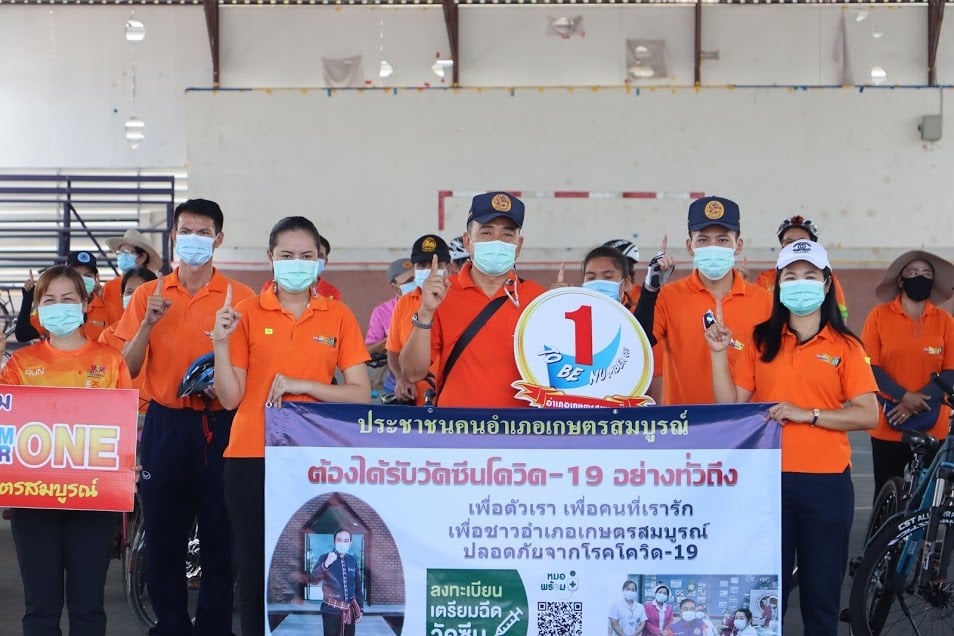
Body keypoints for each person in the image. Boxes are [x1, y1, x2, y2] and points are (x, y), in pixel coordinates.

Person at [705, 239, 879, 636]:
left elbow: (868, 413)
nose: (800, 283)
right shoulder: (762, 340)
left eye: (809, 276)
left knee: (821, 600)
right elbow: (731, 403)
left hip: (826, 487)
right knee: (766, 600)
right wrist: (718, 354)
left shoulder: (846, 346)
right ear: (779, 286)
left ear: (826, 282)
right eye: (790, 276)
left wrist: (810, 415)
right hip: (767, 486)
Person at [213, 216, 371, 636]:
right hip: (252, 456)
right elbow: (230, 398)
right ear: (270, 259)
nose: (296, 263)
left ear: (320, 260)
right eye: (287, 256)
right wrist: (219, 342)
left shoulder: (337, 315)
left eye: (306, 256)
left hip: (315, 460)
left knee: (313, 568)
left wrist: (305, 386)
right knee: (254, 569)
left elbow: (360, 393)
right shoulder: (245, 313)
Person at [115, 198, 255, 636]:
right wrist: (146, 326)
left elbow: (246, 368)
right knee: (163, 538)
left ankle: (214, 627)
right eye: (185, 231)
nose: (193, 239)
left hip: (221, 426)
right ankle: (170, 625)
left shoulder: (241, 298)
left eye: (203, 231)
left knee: (221, 539)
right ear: (175, 236)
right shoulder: (146, 295)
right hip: (166, 425)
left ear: (218, 238)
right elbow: (128, 368)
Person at [2, 266, 133, 636]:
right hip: (34, 501)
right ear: (37, 311)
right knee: (40, 607)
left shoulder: (111, 362)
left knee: (88, 606)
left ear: (86, 304)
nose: (59, 307)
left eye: (68, 299)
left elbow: (123, 429)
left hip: (94, 499)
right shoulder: (19, 366)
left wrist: (128, 463)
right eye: (49, 301)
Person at [399, 192, 546, 407]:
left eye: (507, 234)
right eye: (486, 232)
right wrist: (426, 312)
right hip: (459, 431)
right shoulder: (442, 294)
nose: (497, 241)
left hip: (521, 431)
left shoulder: (538, 299)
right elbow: (412, 373)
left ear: (519, 245)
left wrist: (559, 306)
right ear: (468, 242)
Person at [654, 196, 772, 405]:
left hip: (747, 428)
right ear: (690, 246)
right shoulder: (667, 297)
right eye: (703, 240)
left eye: (723, 239)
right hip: (684, 427)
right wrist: (650, 289)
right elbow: (640, 342)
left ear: (738, 245)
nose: (713, 246)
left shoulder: (765, 302)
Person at [862, 250, 954, 496]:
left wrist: (915, 402)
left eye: (926, 274)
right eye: (913, 273)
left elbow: (951, 371)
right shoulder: (878, 317)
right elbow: (870, 366)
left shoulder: (945, 321)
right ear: (900, 280)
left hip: (934, 425)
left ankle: (924, 537)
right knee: (886, 491)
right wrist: (903, 396)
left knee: (929, 496)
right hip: (888, 420)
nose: (919, 277)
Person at [387, 235, 452, 405]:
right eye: (422, 266)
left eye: (435, 265)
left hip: (454, 405)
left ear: (449, 269)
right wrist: (401, 379)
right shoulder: (404, 302)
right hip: (416, 405)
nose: (429, 270)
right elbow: (393, 351)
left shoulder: (460, 300)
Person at [753, 215, 849, 322]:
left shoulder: (827, 278)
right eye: (789, 242)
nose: (795, 246)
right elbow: (755, 315)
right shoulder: (766, 278)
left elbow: (841, 318)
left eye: (802, 242)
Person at [16, 251, 116, 342]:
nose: (81, 279)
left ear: (96, 278)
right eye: (75, 274)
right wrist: (28, 299)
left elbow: (117, 345)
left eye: (88, 276)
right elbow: (23, 334)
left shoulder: (108, 309)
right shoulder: (56, 307)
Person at [98, 266, 159, 414]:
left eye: (140, 292)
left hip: (158, 414)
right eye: (129, 292)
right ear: (121, 297)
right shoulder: (108, 335)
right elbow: (100, 379)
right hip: (120, 413)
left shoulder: (165, 333)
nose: (134, 297)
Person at [309, 529, 364, 636]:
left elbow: (358, 586)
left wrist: (360, 609)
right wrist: (326, 564)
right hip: (330, 611)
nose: (342, 543)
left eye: (346, 540)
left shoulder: (352, 560)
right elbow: (313, 580)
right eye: (339, 540)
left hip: (350, 611)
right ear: (334, 541)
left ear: (350, 543)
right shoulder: (324, 558)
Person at [103, 228, 162, 321]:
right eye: (120, 253)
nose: (122, 256)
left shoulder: (155, 286)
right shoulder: (109, 287)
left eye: (126, 253)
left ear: (142, 257)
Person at [366, 258, 415, 357]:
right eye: (409, 281)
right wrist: (395, 337)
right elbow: (368, 350)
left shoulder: (431, 304)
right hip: (397, 368)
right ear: (394, 287)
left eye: (417, 279)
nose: (415, 284)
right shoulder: (381, 312)